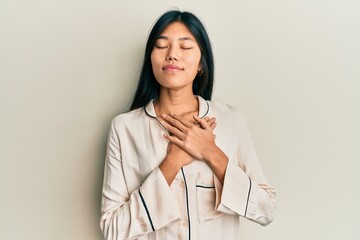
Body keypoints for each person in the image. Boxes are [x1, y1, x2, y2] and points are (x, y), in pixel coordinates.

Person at [100, 10, 276, 240]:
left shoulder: (231, 120)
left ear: (201, 64)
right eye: (162, 46)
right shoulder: (124, 129)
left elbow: (266, 209)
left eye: (185, 47)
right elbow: (113, 230)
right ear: (150, 59)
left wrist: (211, 152)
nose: (172, 55)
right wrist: (172, 162)